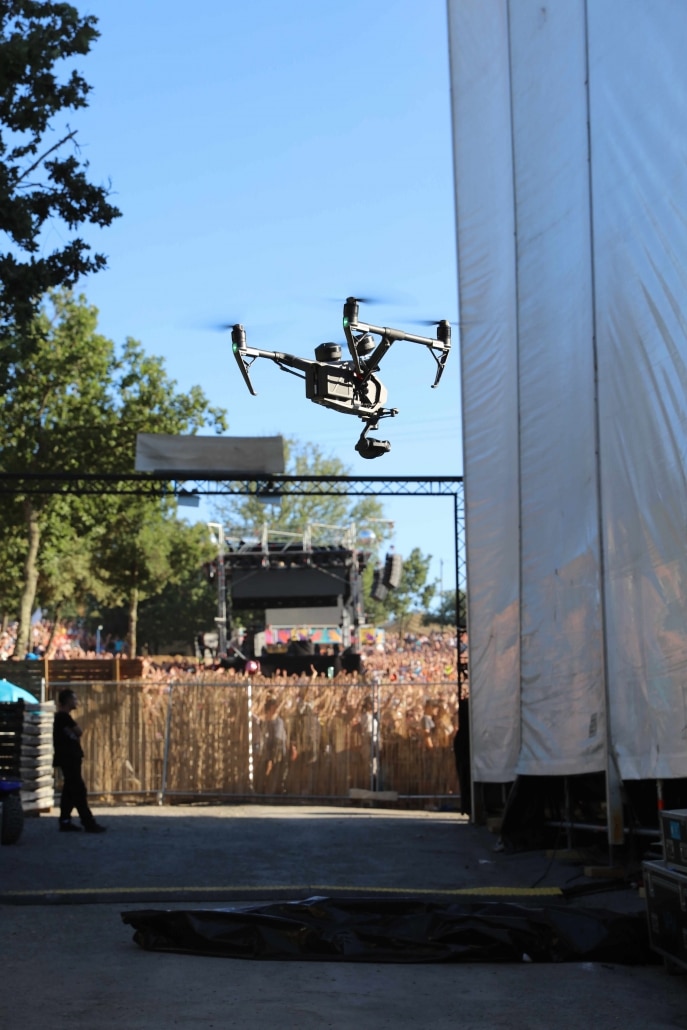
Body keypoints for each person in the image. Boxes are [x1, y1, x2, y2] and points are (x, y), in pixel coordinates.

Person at [52, 688, 106, 833]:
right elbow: (78, 731)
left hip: (71, 758)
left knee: (69, 790)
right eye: (74, 699)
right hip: (68, 758)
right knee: (78, 789)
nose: (76, 702)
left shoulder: (63, 718)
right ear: (68, 700)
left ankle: (65, 820)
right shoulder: (63, 717)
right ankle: (88, 821)